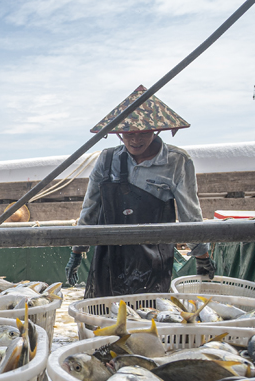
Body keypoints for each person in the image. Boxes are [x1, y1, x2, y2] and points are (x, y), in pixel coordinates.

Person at [65, 85, 216, 298]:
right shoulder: (107, 160)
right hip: (109, 254)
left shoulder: (177, 161)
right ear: (119, 134)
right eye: (129, 134)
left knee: (147, 318)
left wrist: (202, 255)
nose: (136, 140)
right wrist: (78, 250)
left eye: (143, 133)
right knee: (101, 317)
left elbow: (189, 214)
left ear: (155, 131)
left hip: (152, 257)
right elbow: (91, 206)